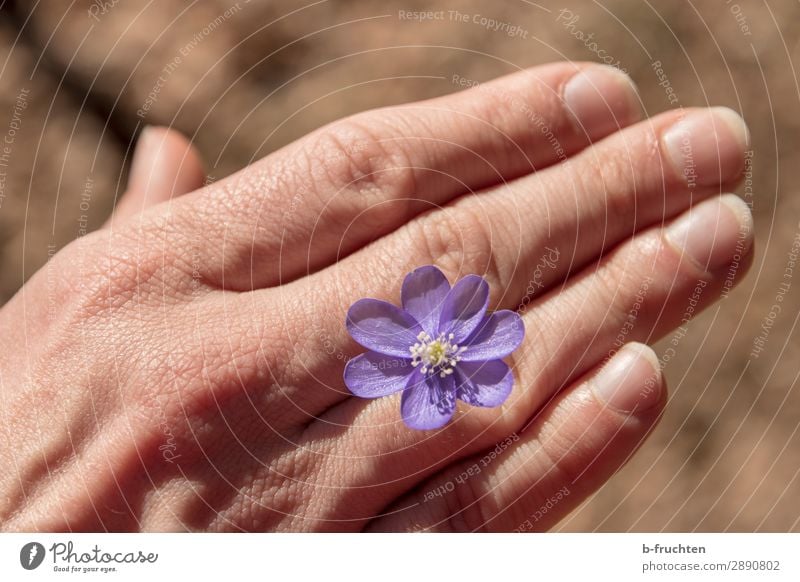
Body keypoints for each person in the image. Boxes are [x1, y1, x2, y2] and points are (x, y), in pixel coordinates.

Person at [0, 62, 751, 531]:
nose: (431, 350)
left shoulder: (453, 353)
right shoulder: (408, 366)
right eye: (427, 349)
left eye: (435, 348)